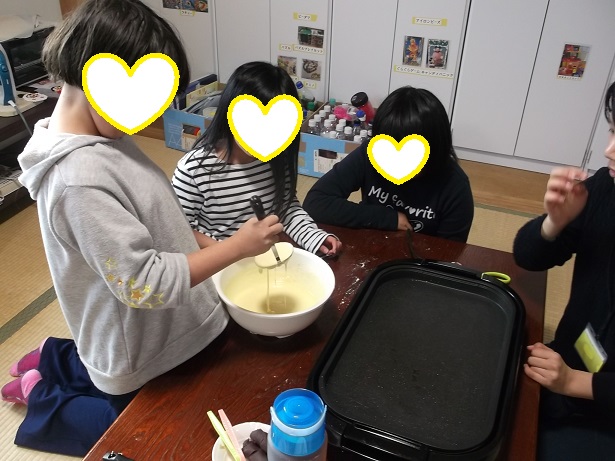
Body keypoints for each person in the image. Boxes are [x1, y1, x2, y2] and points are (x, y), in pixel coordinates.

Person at [1, 0, 282, 456]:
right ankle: (41, 395)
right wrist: (235, 248)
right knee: (146, 436)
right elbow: (143, 285)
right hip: (137, 350)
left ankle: (54, 357)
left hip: (144, 328)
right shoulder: (78, 180)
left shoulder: (104, 137)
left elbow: (157, 218)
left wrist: (209, 244)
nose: (149, 118)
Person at [513, 81, 615, 460]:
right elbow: (527, 256)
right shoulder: (604, 188)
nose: (608, 150)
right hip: (566, 361)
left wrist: (575, 382)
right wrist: (553, 223)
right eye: (612, 131)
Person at [171, 61, 341, 256]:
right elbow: (180, 229)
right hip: (217, 261)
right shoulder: (194, 170)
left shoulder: (277, 159)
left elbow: (286, 209)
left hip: (264, 258)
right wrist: (234, 250)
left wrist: (314, 236)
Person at [303, 86, 474, 242]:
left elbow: (450, 253)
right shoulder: (371, 154)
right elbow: (316, 202)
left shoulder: (455, 186)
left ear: (435, 149)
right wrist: (387, 218)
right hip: (371, 245)